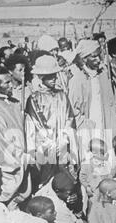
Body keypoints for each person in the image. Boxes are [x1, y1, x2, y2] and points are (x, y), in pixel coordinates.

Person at [25, 55, 79, 190]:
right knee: (46, 178)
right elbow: (36, 124)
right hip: (46, 147)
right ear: (41, 77)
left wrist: (64, 139)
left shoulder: (62, 95)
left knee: (65, 178)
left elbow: (69, 118)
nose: (54, 78)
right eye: (49, 76)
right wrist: (50, 143)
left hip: (63, 143)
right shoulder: (34, 98)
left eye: (54, 75)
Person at [0, 66, 31, 208]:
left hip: (24, 159)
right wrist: (19, 156)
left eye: (11, 81)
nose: (11, 85)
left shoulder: (15, 103)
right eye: (6, 83)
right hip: (11, 164)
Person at [68, 39, 116, 155]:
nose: (98, 60)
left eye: (99, 56)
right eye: (94, 57)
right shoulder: (77, 80)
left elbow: (112, 102)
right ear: (85, 58)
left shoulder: (103, 75)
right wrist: (86, 128)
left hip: (105, 123)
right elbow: (73, 111)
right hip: (88, 128)